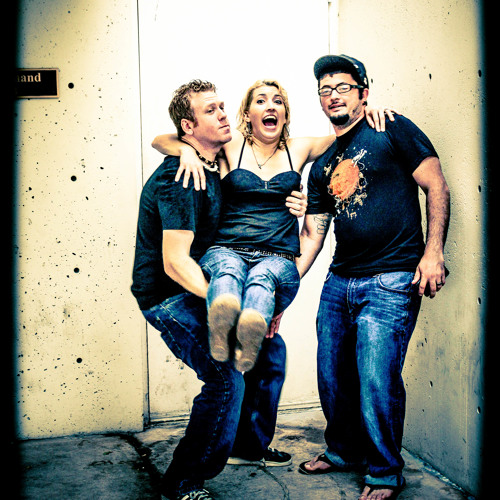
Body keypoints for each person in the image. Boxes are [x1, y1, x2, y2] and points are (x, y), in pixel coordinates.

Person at [131, 79, 305, 500]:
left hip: (204, 283)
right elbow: (175, 262)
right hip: (169, 297)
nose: (223, 114)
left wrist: (294, 206)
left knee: (268, 351)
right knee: (225, 380)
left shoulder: (208, 166)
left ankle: (246, 445)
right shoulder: (180, 177)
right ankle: (183, 481)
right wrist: (227, 304)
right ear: (189, 127)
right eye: (211, 110)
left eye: (223, 106)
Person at [152, 79, 392, 373]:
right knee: (227, 270)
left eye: (278, 101)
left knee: (263, 278)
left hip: (277, 256)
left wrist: (367, 111)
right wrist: (186, 151)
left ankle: (250, 331)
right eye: (261, 100)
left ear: (286, 115)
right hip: (227, 248)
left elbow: (348, 134)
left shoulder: (299, 148)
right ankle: (223, 326)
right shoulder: (232, 144)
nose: (270, 106)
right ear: (247, 114)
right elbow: (160, 140)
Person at [295, 55, 450, 500]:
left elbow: (436, 185)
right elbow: (314, 235)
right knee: (332, 376)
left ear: (363, 93)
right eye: (325, 90)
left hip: (392, 278)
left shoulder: (391, 127)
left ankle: (384, 471)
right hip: (339, 281)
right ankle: (343, 451)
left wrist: (433, 253)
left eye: (343, 87)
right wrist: (285, 287)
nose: (333, 96)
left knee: (376, 377)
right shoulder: (323, 161)